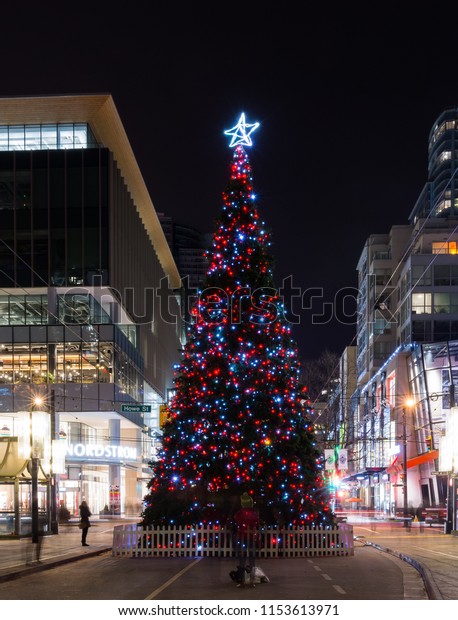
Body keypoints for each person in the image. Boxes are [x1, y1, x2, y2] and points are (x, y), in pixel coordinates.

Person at [232, 491, 259, 587]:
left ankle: (243, 580)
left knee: (242, 559)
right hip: (250, 539)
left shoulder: (239, 514)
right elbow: (256, 521)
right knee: (251, 559)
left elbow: (236, 520)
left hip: (243, 539)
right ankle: (251, 581)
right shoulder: (254, 513)